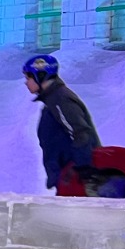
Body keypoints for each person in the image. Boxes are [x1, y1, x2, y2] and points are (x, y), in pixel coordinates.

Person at [23, 53, 104, 192]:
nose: (26, 82)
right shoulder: (53, 99)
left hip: (79, 178)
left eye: (28, 77)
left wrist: (85, 169)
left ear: (40, 76)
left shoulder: (60, 99)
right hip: (69, 177)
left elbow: (79, 132)